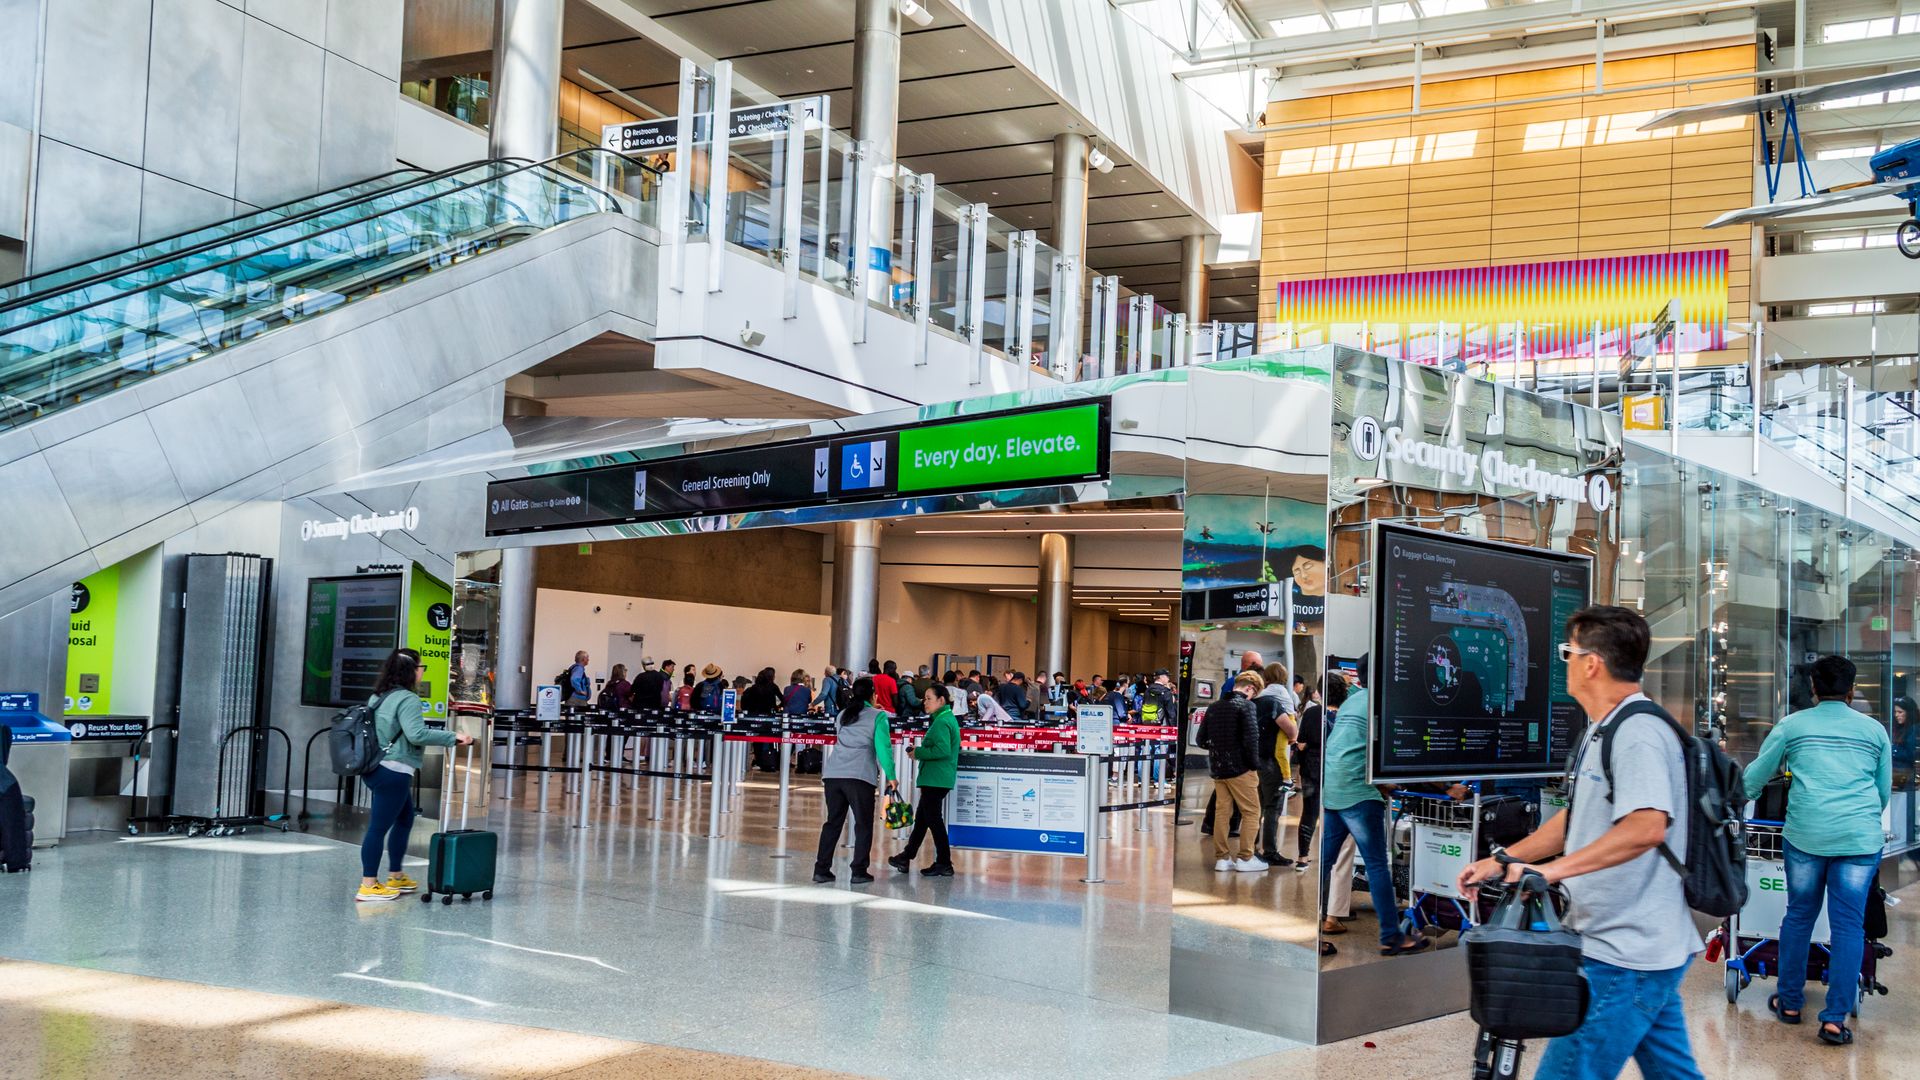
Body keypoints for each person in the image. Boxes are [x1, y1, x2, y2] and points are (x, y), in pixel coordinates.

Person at [1457, 605, 1702, 1078]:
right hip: (1637, 944)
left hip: (1625, 950)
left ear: (1592, 663)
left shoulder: (1639, 734)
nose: (1564, 662)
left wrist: (1551, 871)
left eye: (1568, 652)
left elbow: (1647, 826)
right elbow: (1579, 819)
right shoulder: (1605, 729)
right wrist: (1504, 858)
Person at [1741, 655, 1892, 1045]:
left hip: (1806, 836)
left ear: (1813, 689)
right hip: (1859, 840)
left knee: (1799, 915)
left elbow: (1757, 775)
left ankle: (1790, 1003)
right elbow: (1881, 791)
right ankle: (1834, 1019)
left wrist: (1738, 799)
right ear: (1851, 691)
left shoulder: (1793, 726)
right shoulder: (1874, 731)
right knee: (1848, 927)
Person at [1321, 663, 1428, 954]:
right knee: (1377, 865)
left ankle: (1314, 928)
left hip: (1332, 790)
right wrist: (1445, 787)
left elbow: (1353, 749)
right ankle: (1391, 937)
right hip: (1358, 795)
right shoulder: (1381, 703)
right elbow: (1404, 752)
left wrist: (1380, 782)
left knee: (1325, 863)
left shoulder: (1351, 701)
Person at [356, 648, 471, 903]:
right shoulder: (408, 699)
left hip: (376, 767)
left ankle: (395, 874)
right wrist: (454, 737)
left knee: (405, 818)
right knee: (378, 828)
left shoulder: (379, 696)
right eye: (421, 667)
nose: (422, 672)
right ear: (411, 670)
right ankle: (368, 884)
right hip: (394, 770)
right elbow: (416, 734)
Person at [813, 677, 897, 884]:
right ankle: (858, 871)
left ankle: (821, 869)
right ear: (873, 694)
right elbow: (883, 748)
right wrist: (892, 776)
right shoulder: (878, 716)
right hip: (859, 776)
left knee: (833, 822)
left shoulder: (842, 714)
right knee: (863, 825)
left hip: (833, 774)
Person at [1197, 672, 1266, 871]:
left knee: (1222, 812)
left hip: (1218, 768)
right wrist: (1254, 765)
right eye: (1255, 692)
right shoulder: (1247, 706)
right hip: (1241, 769)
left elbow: (1201, 740)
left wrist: (1220, 748)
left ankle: (1222, 858)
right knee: (1252, 812)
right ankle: (1245, 858)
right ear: (1250, 688)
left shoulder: (1214, 707)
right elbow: (1251, 741)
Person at [890, 683, 960, 877]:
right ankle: (906, 857)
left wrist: (918, 752)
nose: (925, 702)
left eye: (929, 698)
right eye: (925, 698)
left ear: (941, 700)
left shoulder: (942, 721)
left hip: (936, 778)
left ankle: (944, 862)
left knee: (934, 820)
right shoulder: (944, 718)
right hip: (937, 777)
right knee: (922, 820)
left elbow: (943, 750)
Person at [1253, 662, 1300, 866]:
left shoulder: (1255, 700)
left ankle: (1251, 847)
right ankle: (1270, 850)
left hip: (1255, 760)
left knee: (1257, 807)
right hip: (1273, 762)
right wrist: (1293, 736)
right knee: (1273, 806)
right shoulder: (1276, 702)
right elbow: (1290, 729)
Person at [1293, 675, 1335, 870]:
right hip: (1336, 768)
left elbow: (1300, 744)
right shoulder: (1344, 716)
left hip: (1311, 768)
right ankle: (1334, 859)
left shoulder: (1311, 713)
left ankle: (1302, 857)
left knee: (1309, 812)